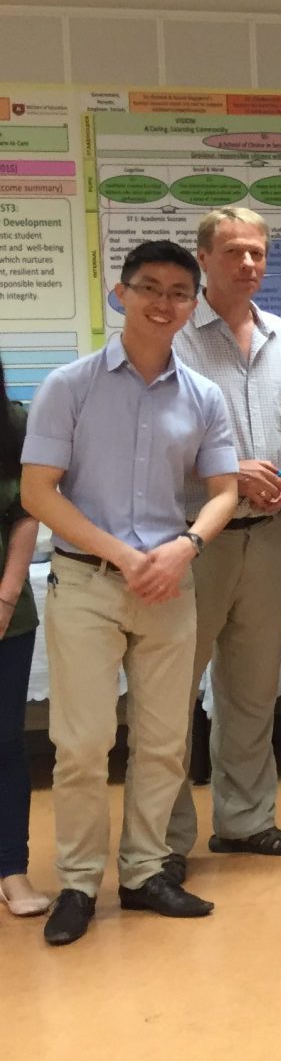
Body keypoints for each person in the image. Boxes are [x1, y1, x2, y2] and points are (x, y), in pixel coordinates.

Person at [23, 241, 239, 946]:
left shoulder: (205, 396)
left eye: (181, 292)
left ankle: (146, 873)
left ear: (192, 303)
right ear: (121, 294)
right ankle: (79, 883)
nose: (165, 302)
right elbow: (37, 491)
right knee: (82, 743)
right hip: (89, 580)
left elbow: (225, 492)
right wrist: (123, 553)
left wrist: (184, 547)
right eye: (151, 288)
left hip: (170, 584)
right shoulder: (70, 386)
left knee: (164, 741)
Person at [168, 206, 281, 868]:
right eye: (234, 252)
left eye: (257, 252)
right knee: (169, 693)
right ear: (204, 258)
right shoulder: (173, 335)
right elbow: (152, 437)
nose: (249, 264)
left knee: (252, 688)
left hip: (269, 535)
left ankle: (246, 822)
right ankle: (161, 843)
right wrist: (228, 471)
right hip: (195, 537)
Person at [1, 356, 46, 917]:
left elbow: (27, 509)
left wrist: (7, 594)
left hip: (8, 612)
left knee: (5, 743)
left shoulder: (16, 422)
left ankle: (11, 868)